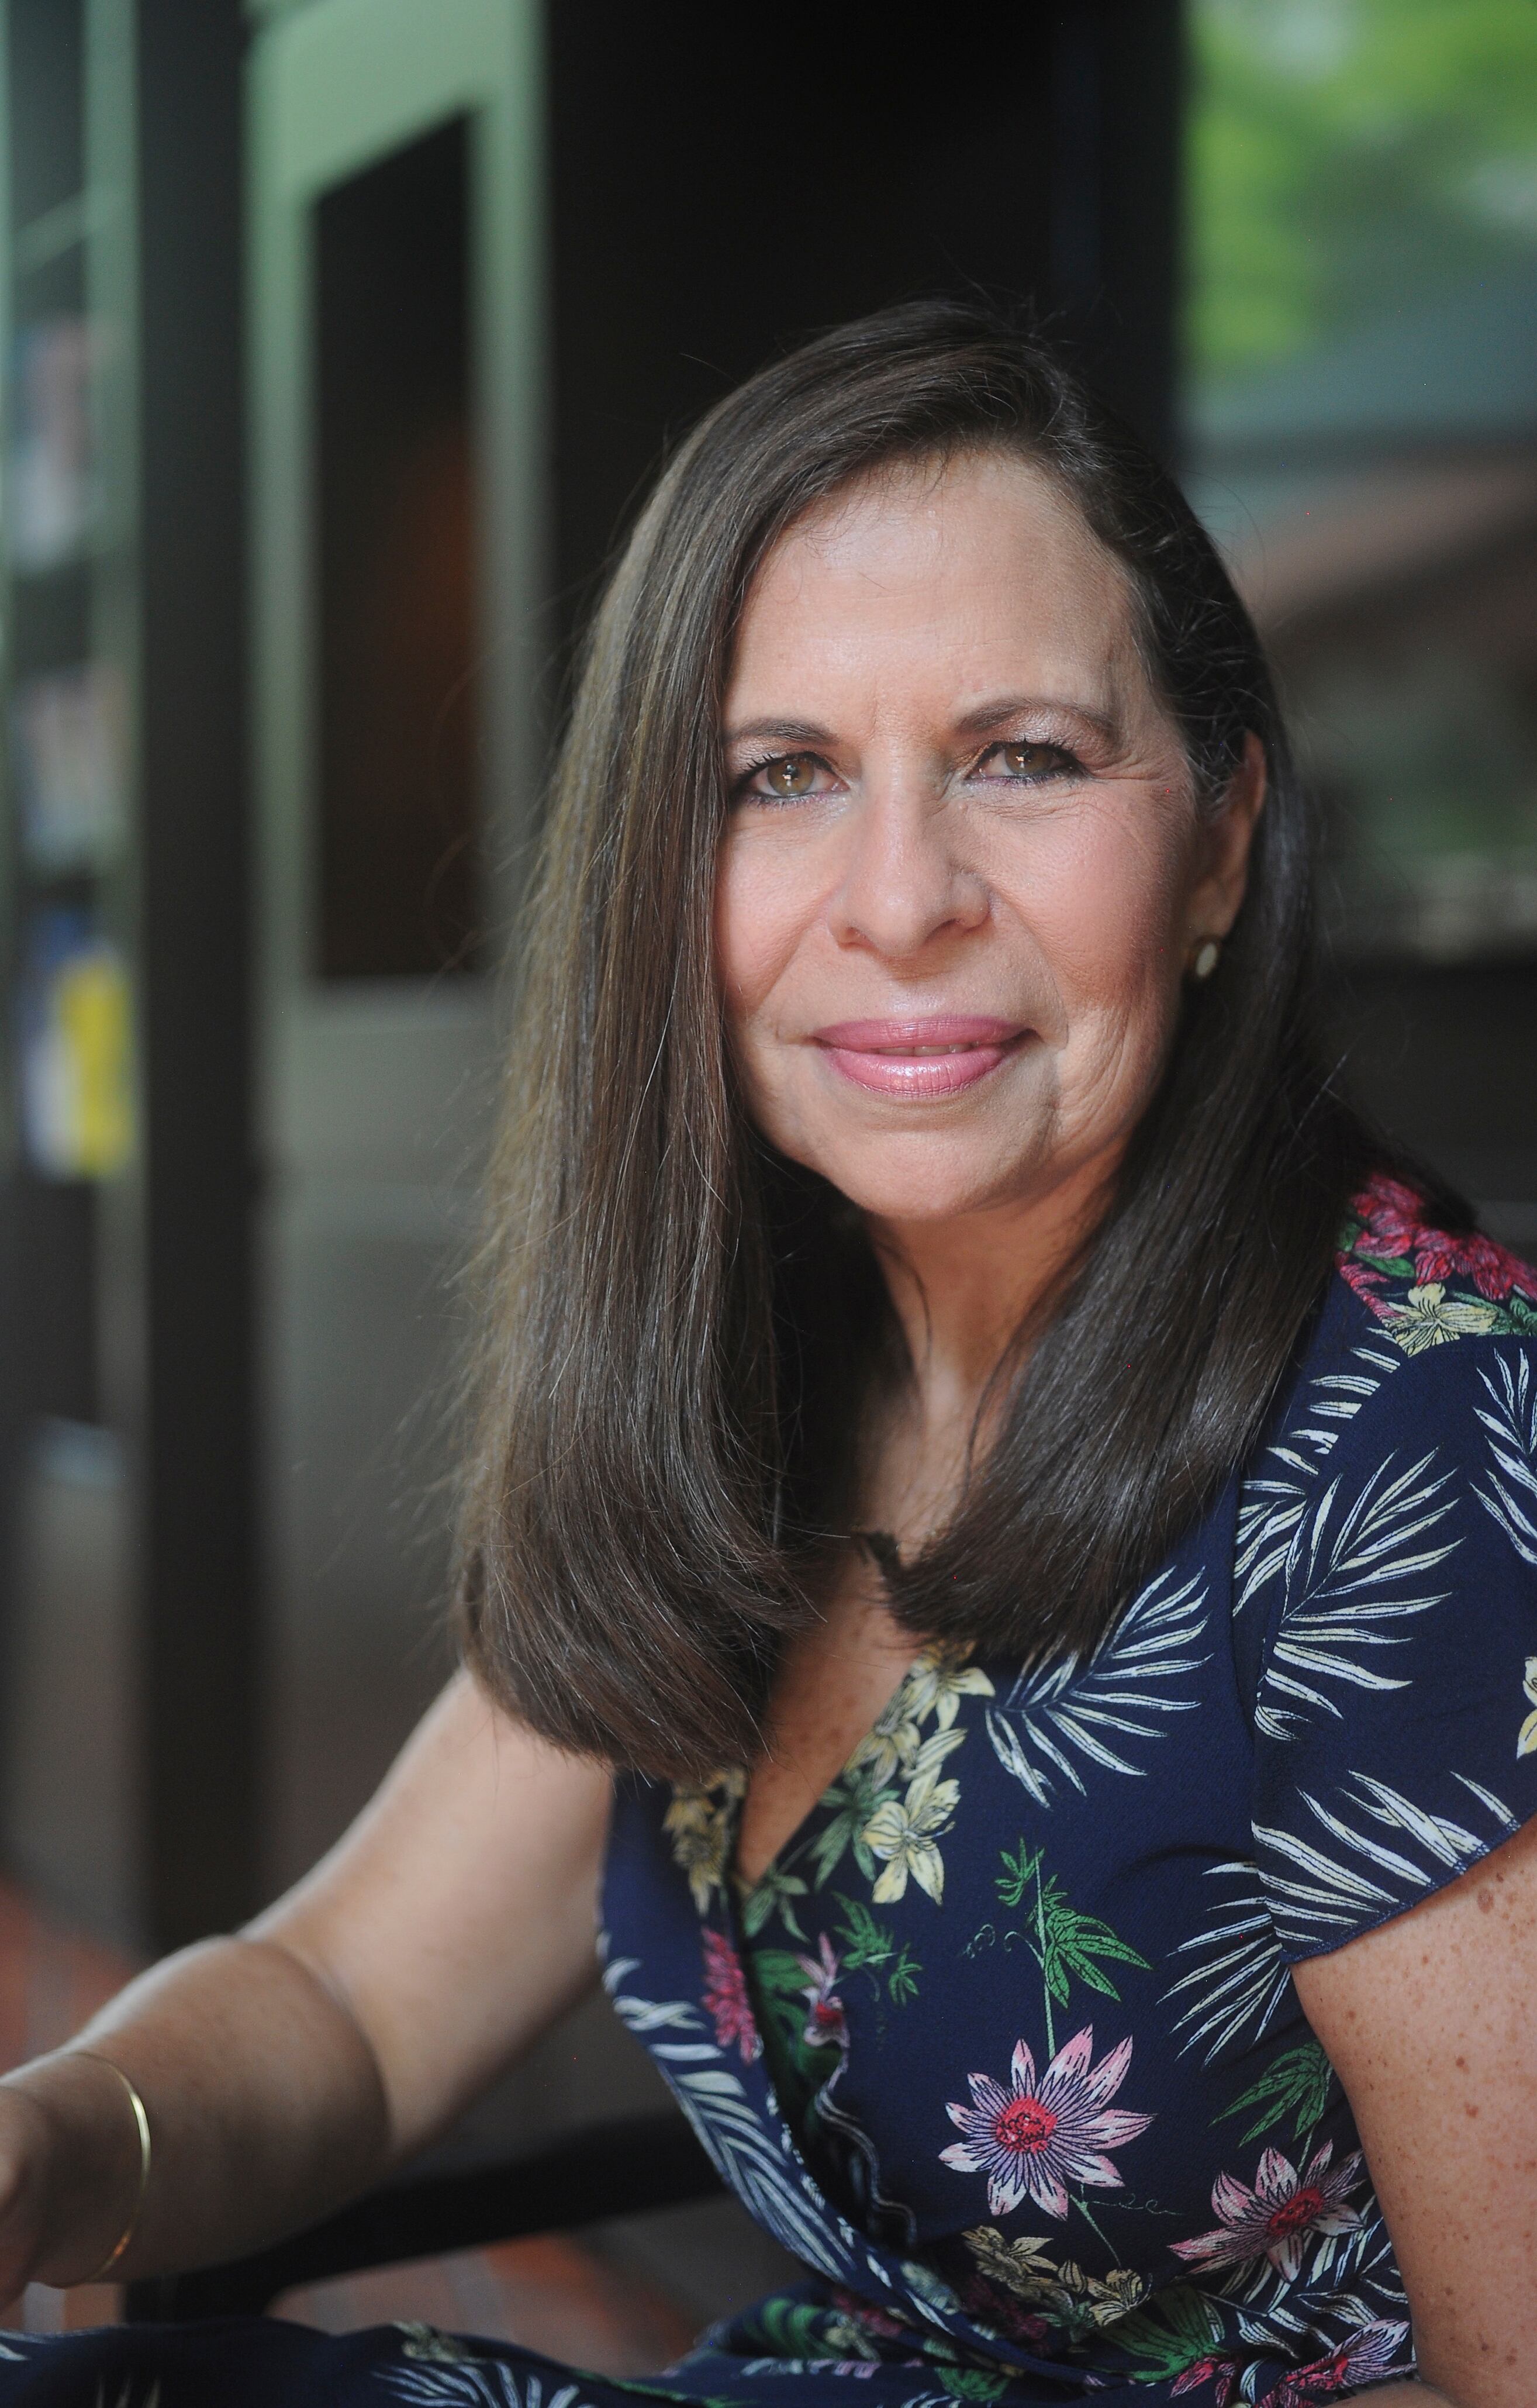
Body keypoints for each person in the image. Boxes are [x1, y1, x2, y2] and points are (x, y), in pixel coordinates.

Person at [0, 302, 1531, 2408]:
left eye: (1023, 756)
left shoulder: (1430, 1455)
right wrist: (50, 2143)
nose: (899, 901)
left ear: (1221, 837)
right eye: (780, 776)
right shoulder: (757, 1366)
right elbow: (346, 2003)